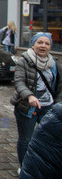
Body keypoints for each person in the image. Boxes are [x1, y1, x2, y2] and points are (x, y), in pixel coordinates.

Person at [10, 32, 62, 173]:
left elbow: (59, 87)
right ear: (33, 44)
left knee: (48, 139)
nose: (43, 46)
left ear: (50, 46)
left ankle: (45, 167)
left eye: (47, 43)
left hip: (48, 108)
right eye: (40, 42)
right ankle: (24, 167)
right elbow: (19, 82)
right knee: (26, 139)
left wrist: (57, 104)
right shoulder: (24, 61)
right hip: (27, 107)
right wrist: (30, 96)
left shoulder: (54, 64)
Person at [19, 102, 62, 179]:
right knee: (25, 139)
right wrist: (29, 96)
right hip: (30, 107)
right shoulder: (56, 119)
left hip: (47, 106)